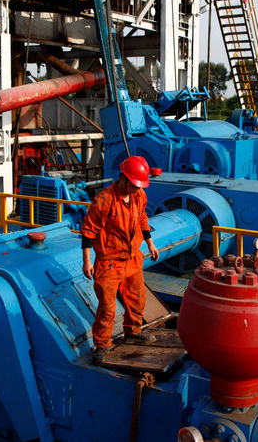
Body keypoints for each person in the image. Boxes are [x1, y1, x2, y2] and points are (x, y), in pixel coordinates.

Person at [80, 155, 160, 365]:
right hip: (109, 261)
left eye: (139, 186)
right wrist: (87, 261)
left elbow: (142, 218)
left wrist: (150, 243)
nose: (136, 189)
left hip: (133, 258)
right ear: (123, 178)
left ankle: (133, 331)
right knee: (107, 307)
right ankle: (102, 345)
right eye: (134, 185)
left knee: (137, 296)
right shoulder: (104, 201)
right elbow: (89, 231)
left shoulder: (138, 195)